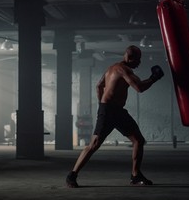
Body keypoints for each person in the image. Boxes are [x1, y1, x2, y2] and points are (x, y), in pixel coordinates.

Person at [66, 45, 164, 188]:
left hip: (116, 111)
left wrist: (102, 104)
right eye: (138, 60)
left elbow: (99, 86)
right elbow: (139, 88)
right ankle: (72, 175)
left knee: (138, 140)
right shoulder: (124, 70)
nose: (139, 63)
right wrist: (154, 78)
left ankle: (135, 175)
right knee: (93, 145)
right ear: (130, 58)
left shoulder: (112, 68)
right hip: (109, 111)